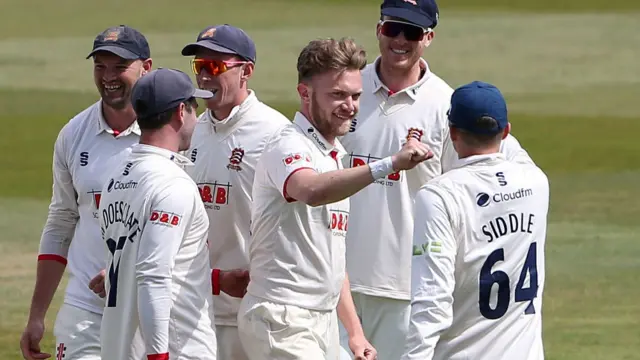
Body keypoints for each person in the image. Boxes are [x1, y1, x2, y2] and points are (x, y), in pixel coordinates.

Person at [337, 1, 534, 358]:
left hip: (404, 289)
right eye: (392, 28)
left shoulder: (447, 105)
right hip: (338, 283)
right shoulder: (346, 89)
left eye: (411, 32)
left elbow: (492, 165)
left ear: (428, 37)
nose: (400, 39)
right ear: (379, 28)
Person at [237, 37, 432, 360]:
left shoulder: (331, 157)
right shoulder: (288, 145)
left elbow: (331, 260)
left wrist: (355, 334)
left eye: (356, 96)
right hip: (281, 316)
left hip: (322, 319)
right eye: (337, 95)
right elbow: (310, 190)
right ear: (305, 93)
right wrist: (390, 164)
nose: (350, 106)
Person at [20, 25, 152, 360]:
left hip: (147, 311)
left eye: (119, 67)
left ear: (145, 67)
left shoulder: (168, 132)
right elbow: (61, 222)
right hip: (85, 310)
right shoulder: (74, 134)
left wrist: (125, 269)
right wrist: (37, 315)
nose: (109, 76)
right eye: (100, 66)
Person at [402, 81, 549, 359]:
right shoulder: (536, 182)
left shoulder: (439, 195)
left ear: (453, 132)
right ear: (505, 131)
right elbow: (511, 149)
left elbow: (433, 298)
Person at [180, 24, 291, 360]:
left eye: (215, 67)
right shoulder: (189, 131)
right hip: (192, 305)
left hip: (253, 310)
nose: (204, 78)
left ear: (247, 72)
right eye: (200, 67)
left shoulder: (276, 133)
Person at [98, 68, 216, 360]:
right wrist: (159, 356)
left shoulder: (114, 177)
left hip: (118, 346)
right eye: (194, 108)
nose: (197, 118)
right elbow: (154, 276)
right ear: (180, 111)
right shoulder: (173, 185)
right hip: (176, 350)